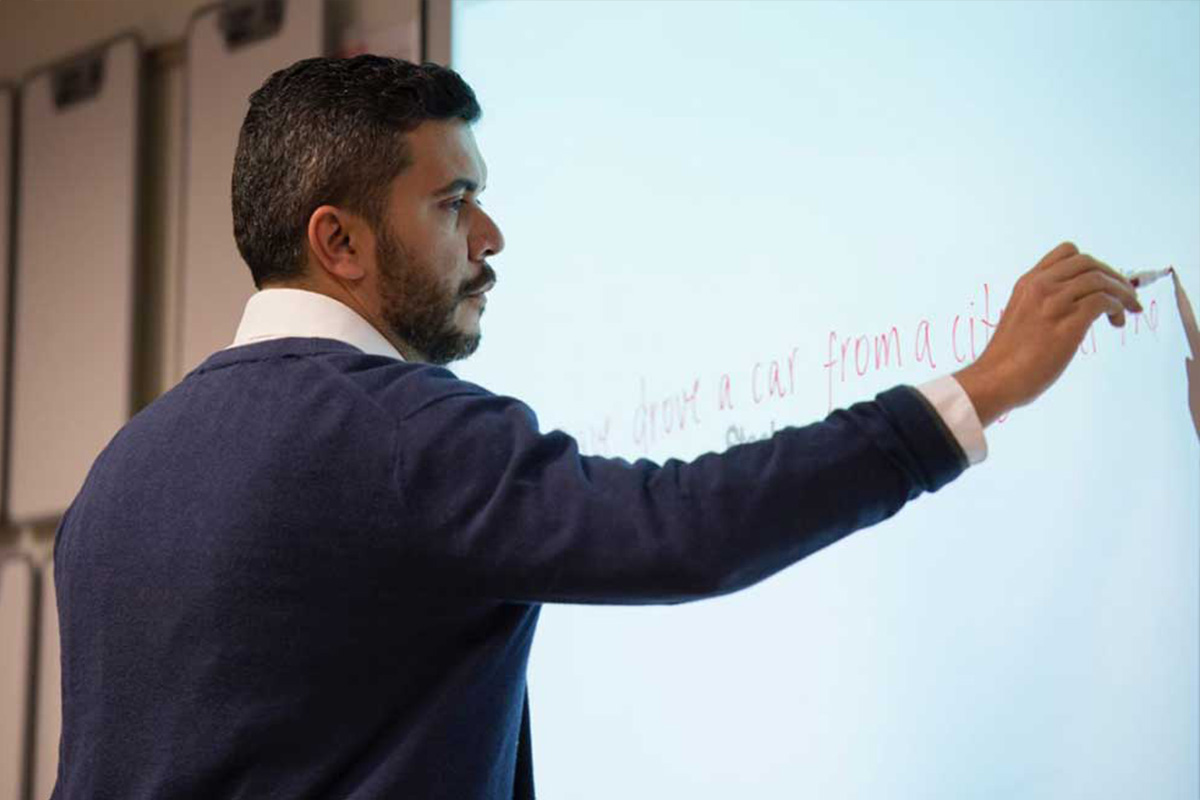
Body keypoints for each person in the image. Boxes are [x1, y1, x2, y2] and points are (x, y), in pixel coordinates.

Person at [51, 56, 1143, 800]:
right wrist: (978, 390)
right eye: (451, 201)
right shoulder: (395, 432)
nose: (491, 234)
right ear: (338, 241)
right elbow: (682, 529)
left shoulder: (117, 472)